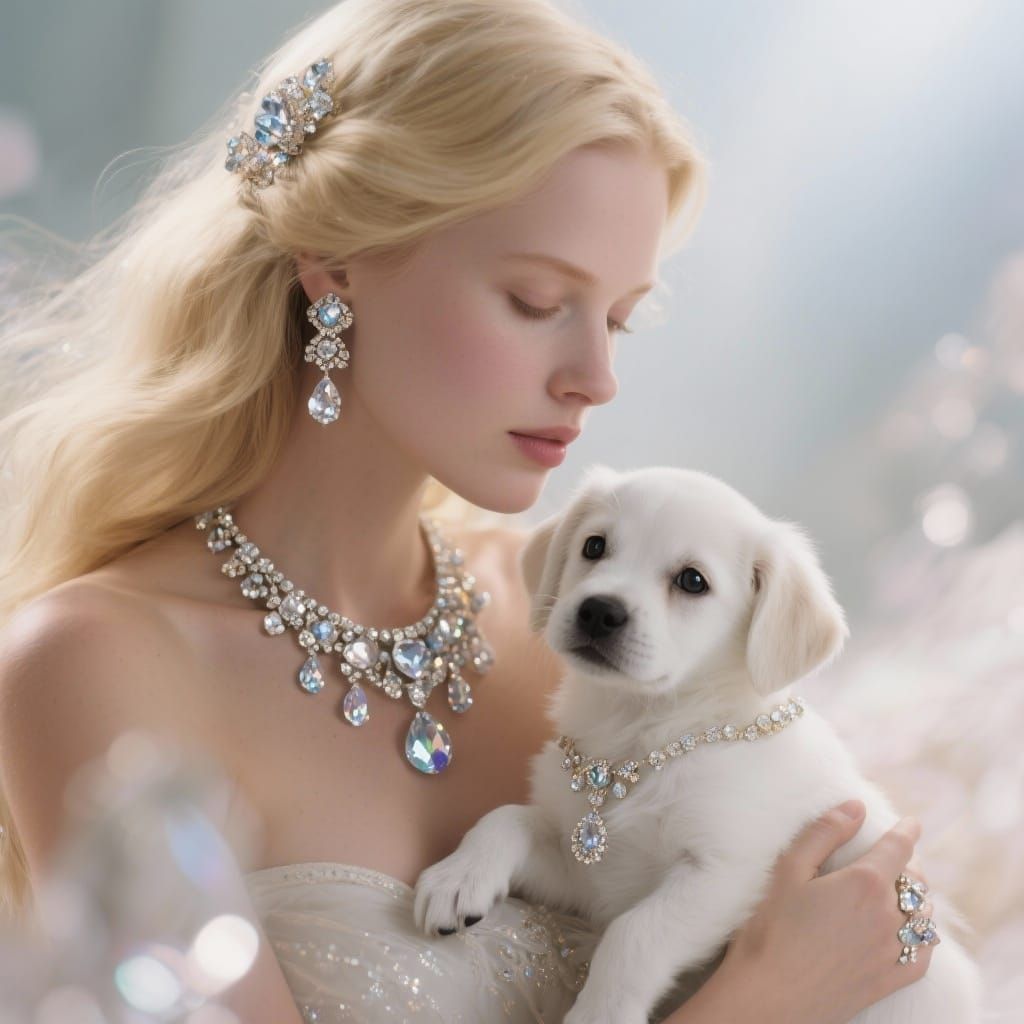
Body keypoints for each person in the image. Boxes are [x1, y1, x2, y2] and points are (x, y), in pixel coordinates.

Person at [0, 0, 936, 1020]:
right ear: (336, 261)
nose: (596, 376)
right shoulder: (94, 662)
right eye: (538, 301)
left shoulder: (570, 617)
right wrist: (757, 1003)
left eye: (621, 318)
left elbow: (857, 904)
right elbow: (785, 974)